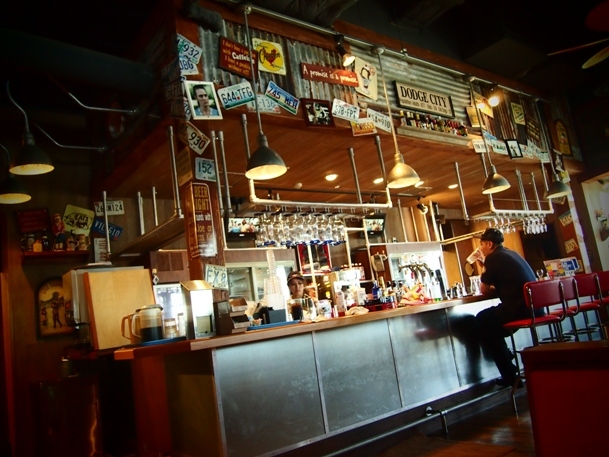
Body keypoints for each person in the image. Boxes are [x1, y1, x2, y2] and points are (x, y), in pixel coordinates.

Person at [474, 228, 536, 387]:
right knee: (490, 327)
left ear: (489, 244)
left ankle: (509, 374)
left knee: (483, 320)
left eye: (481, 244)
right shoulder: (511, 253)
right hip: (534, 307)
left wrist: (485, 267)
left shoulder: (493, 257)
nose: (480, 248)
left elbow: (484, 290)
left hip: (518, 309)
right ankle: (508, 361)